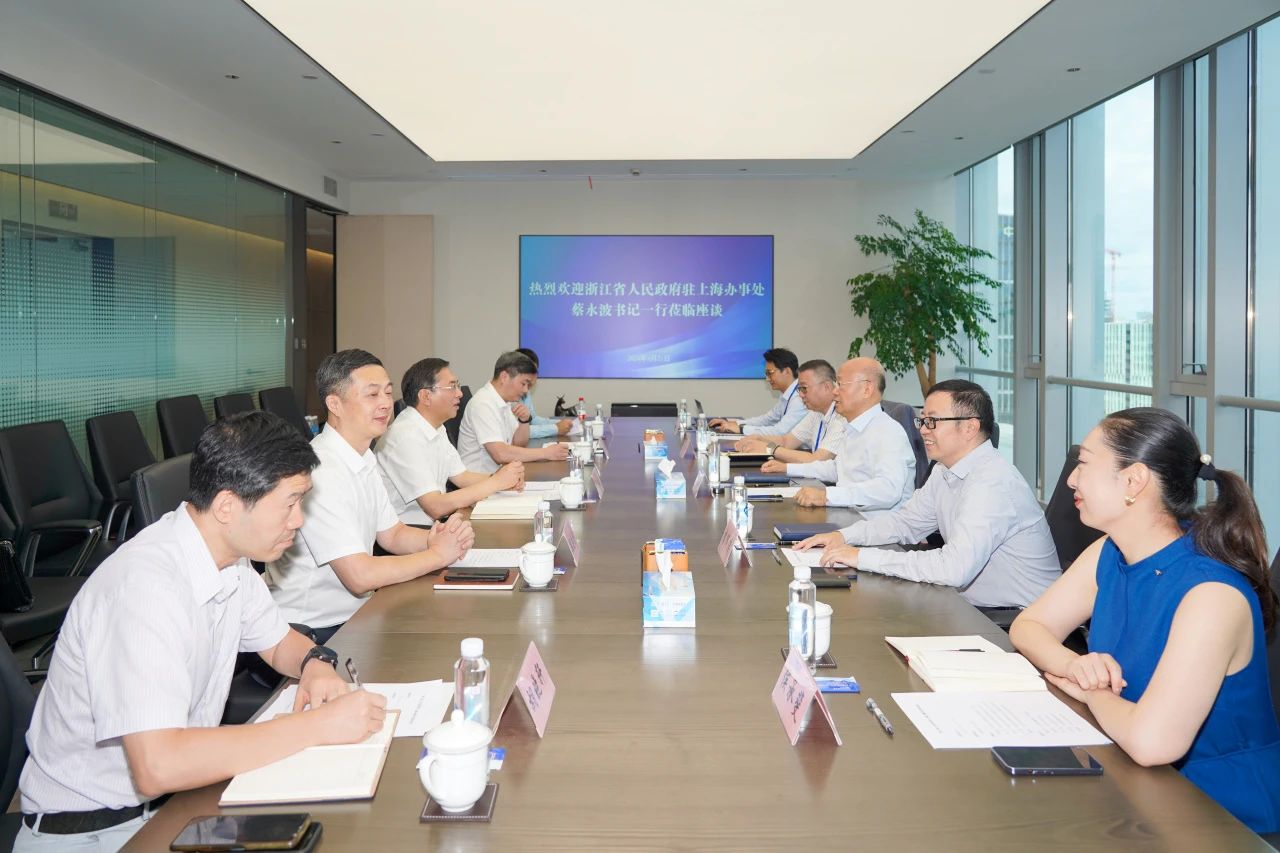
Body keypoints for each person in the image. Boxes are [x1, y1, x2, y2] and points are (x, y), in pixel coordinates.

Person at [16, 412, 386, 852]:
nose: (298, 520)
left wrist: (314, 663)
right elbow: (159, 765)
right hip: (98, 834)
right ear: (228, 505)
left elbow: (279, 642)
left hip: (179, 805)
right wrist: (316, 727)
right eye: (289, 504)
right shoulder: (145, 589)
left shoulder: (229, 559)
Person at [1009, 408, 1280, 834]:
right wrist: (1075, 665)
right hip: (1132, 777)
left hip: (1220, 813)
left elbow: (1153, 743)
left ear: (1134, 480)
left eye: (1084, 464)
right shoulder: (1111, 552)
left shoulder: (1211, 595)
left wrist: (1092, 693)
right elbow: (1028, 627)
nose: (1072, 479)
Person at [266, 349, 475, 638]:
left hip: (357, 613)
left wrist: (437, 538)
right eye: (372, 394)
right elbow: (360, 576)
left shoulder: (363, 456)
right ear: (335, 404)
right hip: (313, 627)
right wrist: (438, 555)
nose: (385, 404)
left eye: (388, 393)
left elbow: (392, 535)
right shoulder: (321, 471)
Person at [795, 379, 1058, 607]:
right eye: (922, 420)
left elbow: (954, 569)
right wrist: (843, 536)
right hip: (971, 606)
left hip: (1014, 620)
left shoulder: (993, 482)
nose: (922, 429)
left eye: (932, 421)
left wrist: (861, 557)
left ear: (970, 427)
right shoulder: (945, 469)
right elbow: (905, 523)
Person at [377, 357, 525, 526]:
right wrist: (496, 482)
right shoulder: (404, 437)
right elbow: (435, 506)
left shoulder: (436, 427)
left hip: (435, 525)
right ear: (426, 396)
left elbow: (461, 476)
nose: (459, 393)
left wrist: (503, 479)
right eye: (452, 386)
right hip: (410, 531)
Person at [770, 358, 914, 515]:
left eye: (840, 384)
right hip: (849, 517)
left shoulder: (888, 431)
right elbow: (838, 469)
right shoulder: (852, 427)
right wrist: (787, 468)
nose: (834, 391)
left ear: (867, 389)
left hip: (877, 525)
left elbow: (888, 490)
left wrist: (827, 496)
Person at [457, 351, 571, 474]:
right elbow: (500, 454)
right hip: (481, 481)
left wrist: (524, 421)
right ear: (504, 377)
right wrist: (546, 453)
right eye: (524, 383)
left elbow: (519, 444)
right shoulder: (483, 404)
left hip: (501, 474)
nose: (526, 390)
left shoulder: (505, 402)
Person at [735, 359, 846, 464]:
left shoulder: (841, 416)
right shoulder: (815, 413)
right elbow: (787, 441)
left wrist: (770, 449)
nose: (800, 395)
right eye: (799, 389)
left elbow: (817, 460)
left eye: (804, 388)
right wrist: (758, 438)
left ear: (826, 387)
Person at [709, 347, 806, 436]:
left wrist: (741, 429)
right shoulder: (786, 394)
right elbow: (767, 420)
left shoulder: (800, 397)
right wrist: (733, 424)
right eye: (766, 374)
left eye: (770, 373)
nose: (767, 379)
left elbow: (780, 431)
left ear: (787, 371)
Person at [515, 347, 575, 440]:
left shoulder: (525, 390)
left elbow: (533, 419)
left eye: (535, 371)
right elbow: (516, 431)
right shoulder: (509, 395)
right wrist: (556, 428)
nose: (534, 375)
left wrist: (560, 423)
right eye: (529, 371)